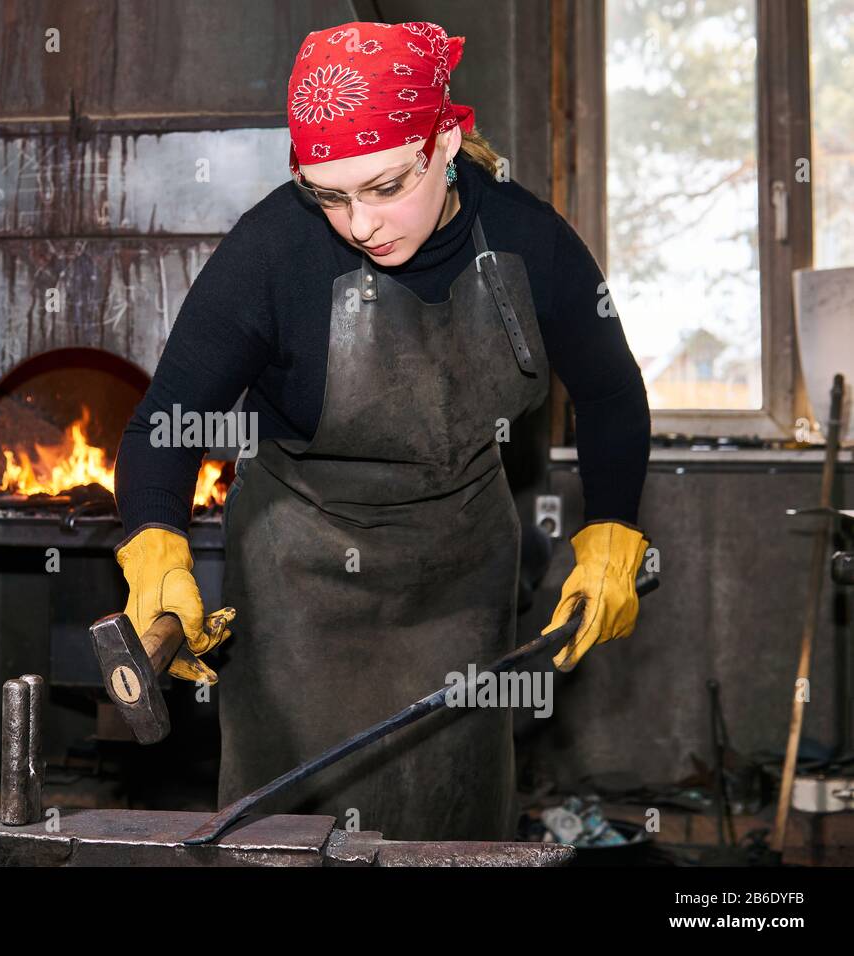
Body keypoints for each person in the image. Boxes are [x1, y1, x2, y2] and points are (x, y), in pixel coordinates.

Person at [112, 20, 651, 841]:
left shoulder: (530, 239)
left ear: (444, 143)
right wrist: (155, 543)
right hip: (303, 572)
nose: (361, 223)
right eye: (330, 195)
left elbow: (612, 394)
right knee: (288, 831)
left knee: (451, 819)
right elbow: (165, 422)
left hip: (461, 571)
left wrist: (612, 530)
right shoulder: (270, 254)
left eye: (386, 186)